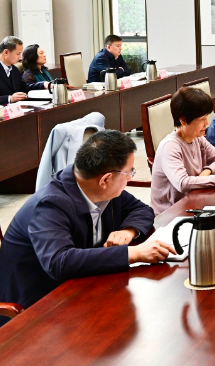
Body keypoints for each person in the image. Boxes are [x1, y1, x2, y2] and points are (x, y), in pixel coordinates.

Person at [0, 130, 175, 325]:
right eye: (129, 173)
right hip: (33, 307)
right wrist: (132, 253)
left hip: (77, 288)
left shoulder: (97, 188)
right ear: (105, 179)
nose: (129, 178)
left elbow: (141, 210)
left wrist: (128, 230)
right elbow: (59, 262)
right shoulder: (50, 205)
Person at [151, 87, 215, 215]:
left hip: (195, 202)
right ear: (183, 120)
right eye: (202, 119)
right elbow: (183, 183)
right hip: (172, 213)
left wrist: (207, 171)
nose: (207, 124)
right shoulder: (170, 146)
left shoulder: (197, 139)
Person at [1, 35, 52, 105]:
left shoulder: (14, 69)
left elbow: (24, 88)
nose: (20, 57)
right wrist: (9, 98)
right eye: (18, 54)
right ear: (6, 52)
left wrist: (43, 84)